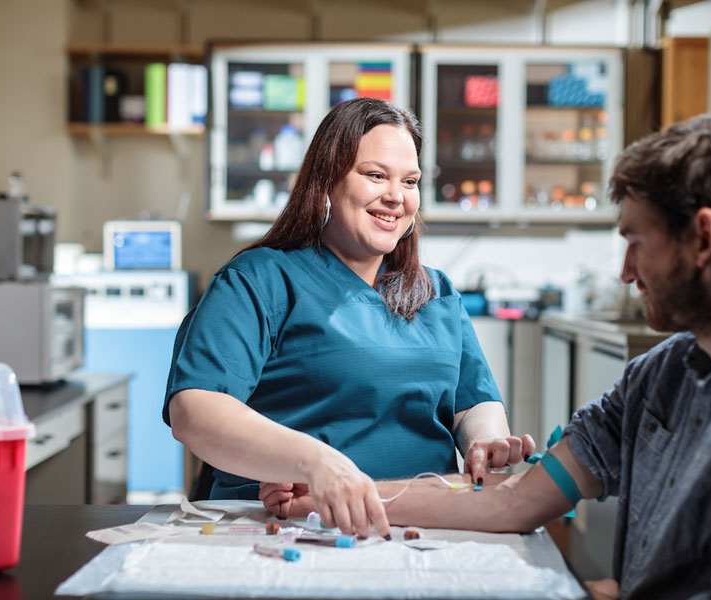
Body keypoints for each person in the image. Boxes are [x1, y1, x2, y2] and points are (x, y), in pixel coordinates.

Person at [259, 113, 711, 599]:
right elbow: (518, 500)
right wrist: (327, 497)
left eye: (635, 241)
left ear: (704, 238)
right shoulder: (656, 379)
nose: (626, 272)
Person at [163, 97, 535, 539]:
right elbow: (196, 410)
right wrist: (316, 462)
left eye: (410, 181)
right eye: (376, 175)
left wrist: (483, 442)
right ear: (326, 182)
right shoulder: (260, 280)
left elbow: (472, 402)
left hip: (424, 528)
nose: (396, 196)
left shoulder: (437, 293)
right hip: (286, 529)